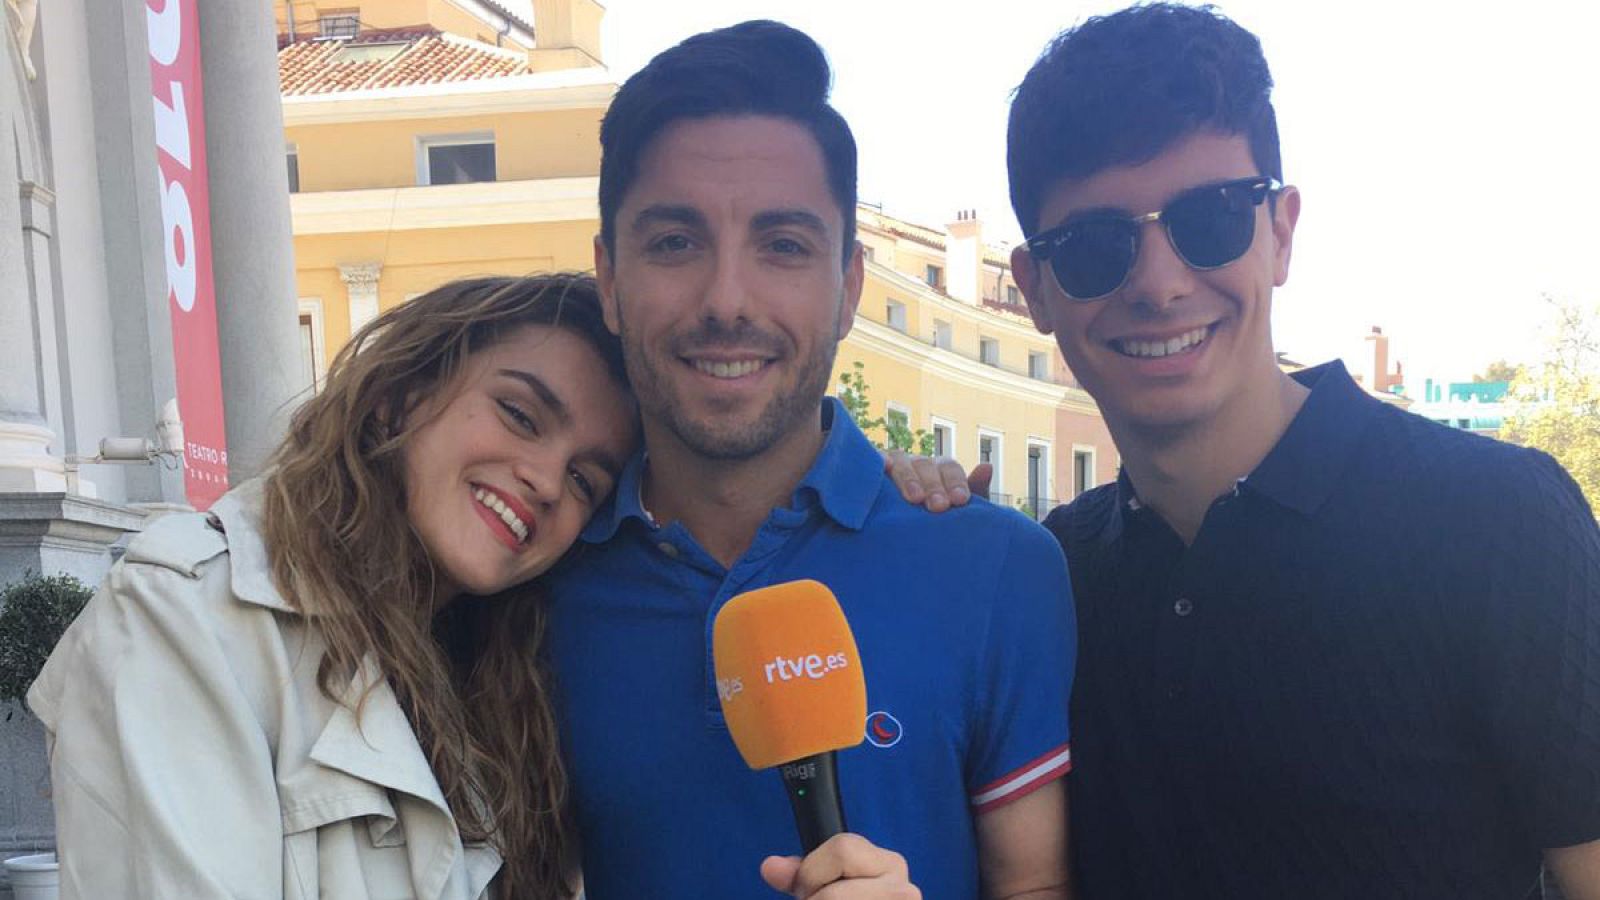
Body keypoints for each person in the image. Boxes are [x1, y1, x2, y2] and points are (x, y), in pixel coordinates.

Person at [27, 274, 937, 899]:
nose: (545, 479)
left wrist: (859, 476)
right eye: (518, 412)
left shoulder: (519, 668)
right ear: (397, 395)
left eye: (587, 477)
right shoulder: (187, 620)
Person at [1000, 5, 1600, 898]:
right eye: (1096, 246)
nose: (1160, 284)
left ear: (1280, 233)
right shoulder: (1049, 576)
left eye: (1208, 220)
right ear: (1036, 288)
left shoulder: (1500, 520)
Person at [544, 20, 1075, 900]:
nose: (726, 300)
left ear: (850, 288)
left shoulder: (996, 570)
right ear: (608, 277)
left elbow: (1036, 886)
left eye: (783, 245)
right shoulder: (535, 582)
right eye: (674, 242)